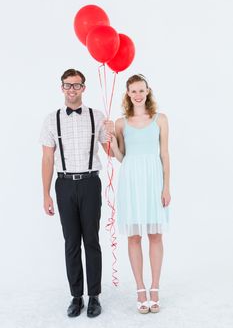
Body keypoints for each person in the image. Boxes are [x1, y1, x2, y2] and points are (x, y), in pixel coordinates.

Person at [39, 69, 113, 318]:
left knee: (91, 240)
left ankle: (94, 296)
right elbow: (47, 158)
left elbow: (111, 152)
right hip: (64, 184)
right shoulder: (52, 119)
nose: (72, 89)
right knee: (71, 242)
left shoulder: (97, 116)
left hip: (91, 183)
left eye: (77, 85)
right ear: (61, 88)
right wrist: (46, 193)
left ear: (84, 88)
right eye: (67, 85)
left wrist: (114, 133)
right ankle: (76, 296)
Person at [108, 74, 171, 314]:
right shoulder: (121, 122)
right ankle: (140, 288)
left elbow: (165, 154)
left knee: (155, 235)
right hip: (131, 181)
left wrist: (166, 187)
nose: (137, 94)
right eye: (133, 91)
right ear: (127, 93)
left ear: (147, 91)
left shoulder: (160, 119)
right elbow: (121, 157)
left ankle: (155, 287)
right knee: (134, 237)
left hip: (154, 180)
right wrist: (113, 142)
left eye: (141, 90)